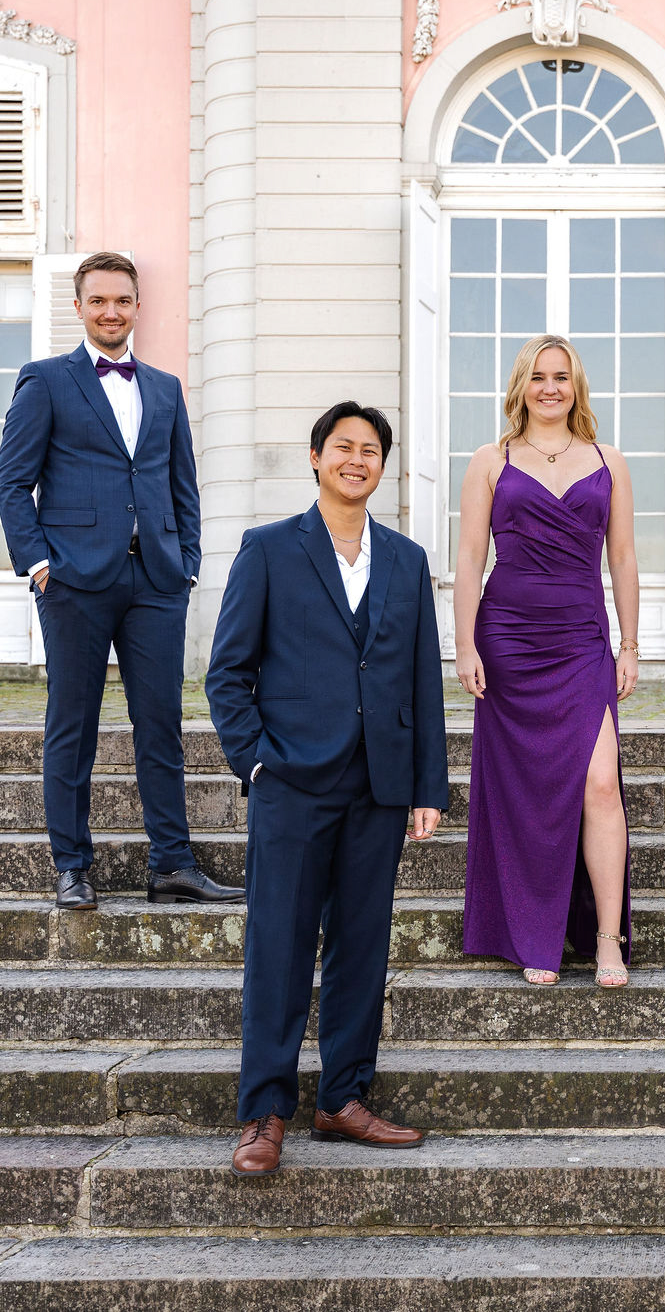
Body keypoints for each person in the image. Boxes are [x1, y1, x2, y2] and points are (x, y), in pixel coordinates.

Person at [206, 401, 447, 1177]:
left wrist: (427, 785)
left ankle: (343, 1096)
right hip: (292, 783)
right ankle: (264, 1110)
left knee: (362, 945)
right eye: (343, 446)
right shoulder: (269, 549)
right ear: (316, 457)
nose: (356, 459)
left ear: (383, 466)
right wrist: (256, 763)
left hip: (380, 783)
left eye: (370, 449)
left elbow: (422, 680)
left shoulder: (407, 560)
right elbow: (227, 673)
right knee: (278, 944)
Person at [0, 251, 240, 912]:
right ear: (78, 307)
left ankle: (173, 865)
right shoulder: (45, 380)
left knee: (161, 723)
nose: (111, 311)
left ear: (137, 307)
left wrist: (186, 562)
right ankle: (72, 867)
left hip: (156, 580)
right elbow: (11, 482)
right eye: (98, 300)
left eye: (122, 301)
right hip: (73, 580)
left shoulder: (165, 388)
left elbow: (182, 484)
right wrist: (39, 565)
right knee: (71, 725)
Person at [457, 335, 639, 988]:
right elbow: (470, 558)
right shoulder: (491, 460)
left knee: (600, 783)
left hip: (582, 639)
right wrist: (465, 644)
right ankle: (534, 932)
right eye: (538, 376)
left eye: (561, 376)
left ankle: (608, 938)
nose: (550, 387)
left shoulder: (609, 461)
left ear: (576, 385)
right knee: (525, 790)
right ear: (521, 386)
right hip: (508, 639)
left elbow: (623, 557)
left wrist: (630, 644)